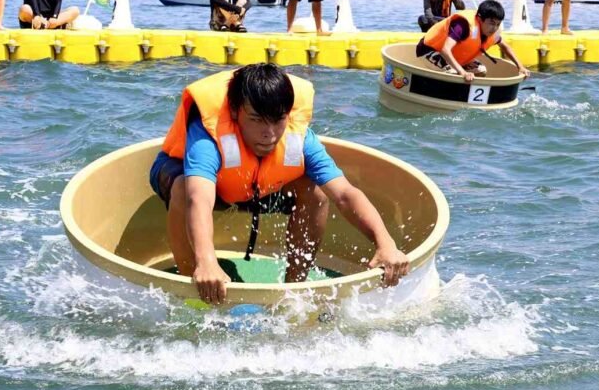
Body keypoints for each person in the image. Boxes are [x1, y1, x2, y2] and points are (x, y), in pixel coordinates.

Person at [150, 63, 410, 305]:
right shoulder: (209, 135)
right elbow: (199, 198)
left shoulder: (300, 139)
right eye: (256, 119)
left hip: (263, 189)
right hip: (200, 185)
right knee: (184, 188)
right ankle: (196, 285)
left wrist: (385, 243)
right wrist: (207, 261)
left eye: (278, 120)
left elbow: (344, 193)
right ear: (234, 111)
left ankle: (293, 290)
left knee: (315, 190)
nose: (269, 134)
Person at [416, 0, 530, 83]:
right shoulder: (463, 25)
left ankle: (467, 97)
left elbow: (505, 47)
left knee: (481, 70)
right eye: (491, 23)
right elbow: (445, 49)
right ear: (480, 19)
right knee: (453, 73)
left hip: (453, 55)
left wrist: (521, 67)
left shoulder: (492, 32)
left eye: (497, 24)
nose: (494, 28)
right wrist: (463, 72)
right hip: (429, 50)